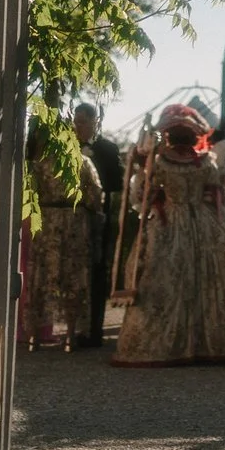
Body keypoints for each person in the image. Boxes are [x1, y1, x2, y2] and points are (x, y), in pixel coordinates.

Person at [112, 104, 225, 367]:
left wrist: (141, 173)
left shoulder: (158, 163)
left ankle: (165, 344)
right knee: (213, 277)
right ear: (194, 136)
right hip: (204, 222)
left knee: (164, 277)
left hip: (168, 222)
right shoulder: (205, 163)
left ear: (168, 135)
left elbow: (139, 197)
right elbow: (222, 193)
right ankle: (213, 342)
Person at [20, 125, 101, 349]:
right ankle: (71, 336)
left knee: (41, 276)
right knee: (73, 277)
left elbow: (27, 193)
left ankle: (34, 337)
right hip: (74, 222)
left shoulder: (39, 163)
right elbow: (95, 195)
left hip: (46, 221)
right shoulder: (83, 162)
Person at [72, 102, 124, 348]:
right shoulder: (64, 147)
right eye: (76, 120)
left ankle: (94, 330)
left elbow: (117, 184)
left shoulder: (106, 149)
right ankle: (73, 327)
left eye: (83, 121)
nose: (77, 125)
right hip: (69, 218)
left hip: (97, 218)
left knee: (96, 271)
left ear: (95, 122)